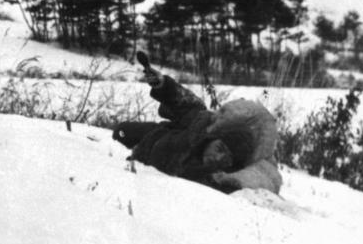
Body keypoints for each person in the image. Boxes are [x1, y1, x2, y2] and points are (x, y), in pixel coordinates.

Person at [112, 52, 282, 194]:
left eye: (226, 159)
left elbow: (265, 179)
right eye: (220, 148)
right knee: (121, 131)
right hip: (156, 135)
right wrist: (162, 84)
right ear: (215, 137)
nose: (218, 158)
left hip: (150, 159)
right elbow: (185, 102)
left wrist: (231, 181)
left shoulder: (214, 177)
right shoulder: (201, 123)